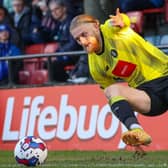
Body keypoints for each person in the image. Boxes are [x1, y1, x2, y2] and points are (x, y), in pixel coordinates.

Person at [70, 8, 168, 147]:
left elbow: (121, 21)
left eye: (84, 34)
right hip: (148, 96)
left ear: (96, 26)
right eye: (78, 39)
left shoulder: (111, 30)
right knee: (111, 90)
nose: (83, 41)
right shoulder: (95, 67)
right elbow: (117, 99)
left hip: (165, 74)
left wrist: (123, 20)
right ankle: (137, 132)